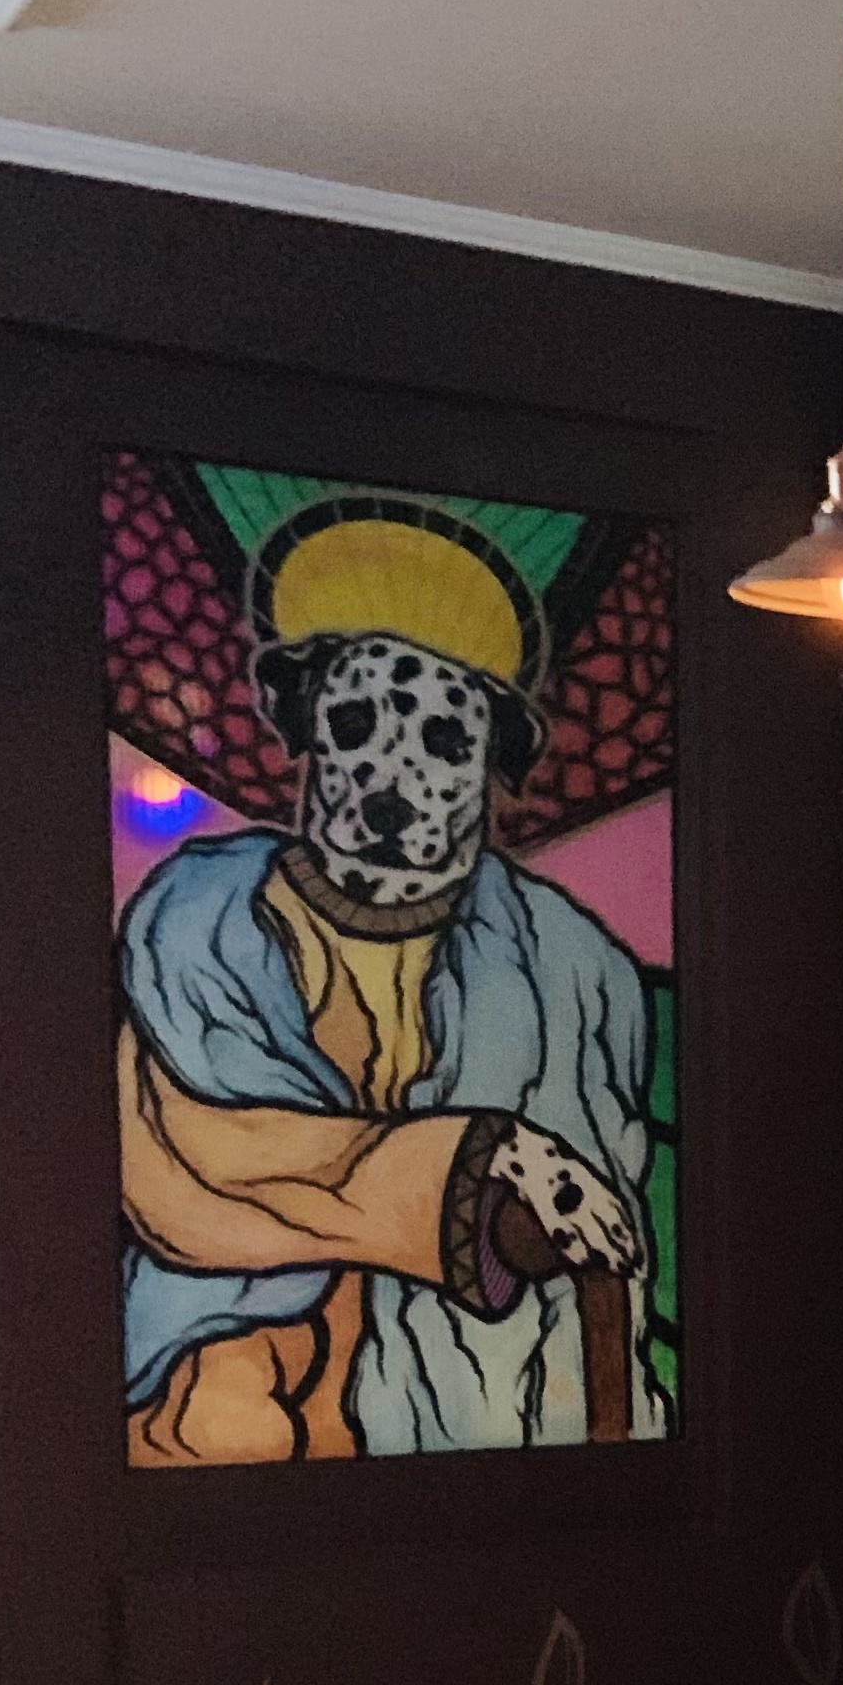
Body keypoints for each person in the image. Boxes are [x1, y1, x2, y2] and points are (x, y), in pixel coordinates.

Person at [119, 495, 660, 1463]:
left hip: (458, 1411)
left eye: (445, 744)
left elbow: (603, 1234)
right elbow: (183, 1171)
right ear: (306, 731)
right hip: (241, 1381)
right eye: (356, 723)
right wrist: (497, 1155)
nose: (391, 783)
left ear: (492, 765)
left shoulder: (566, 964)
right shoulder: (199, 930)